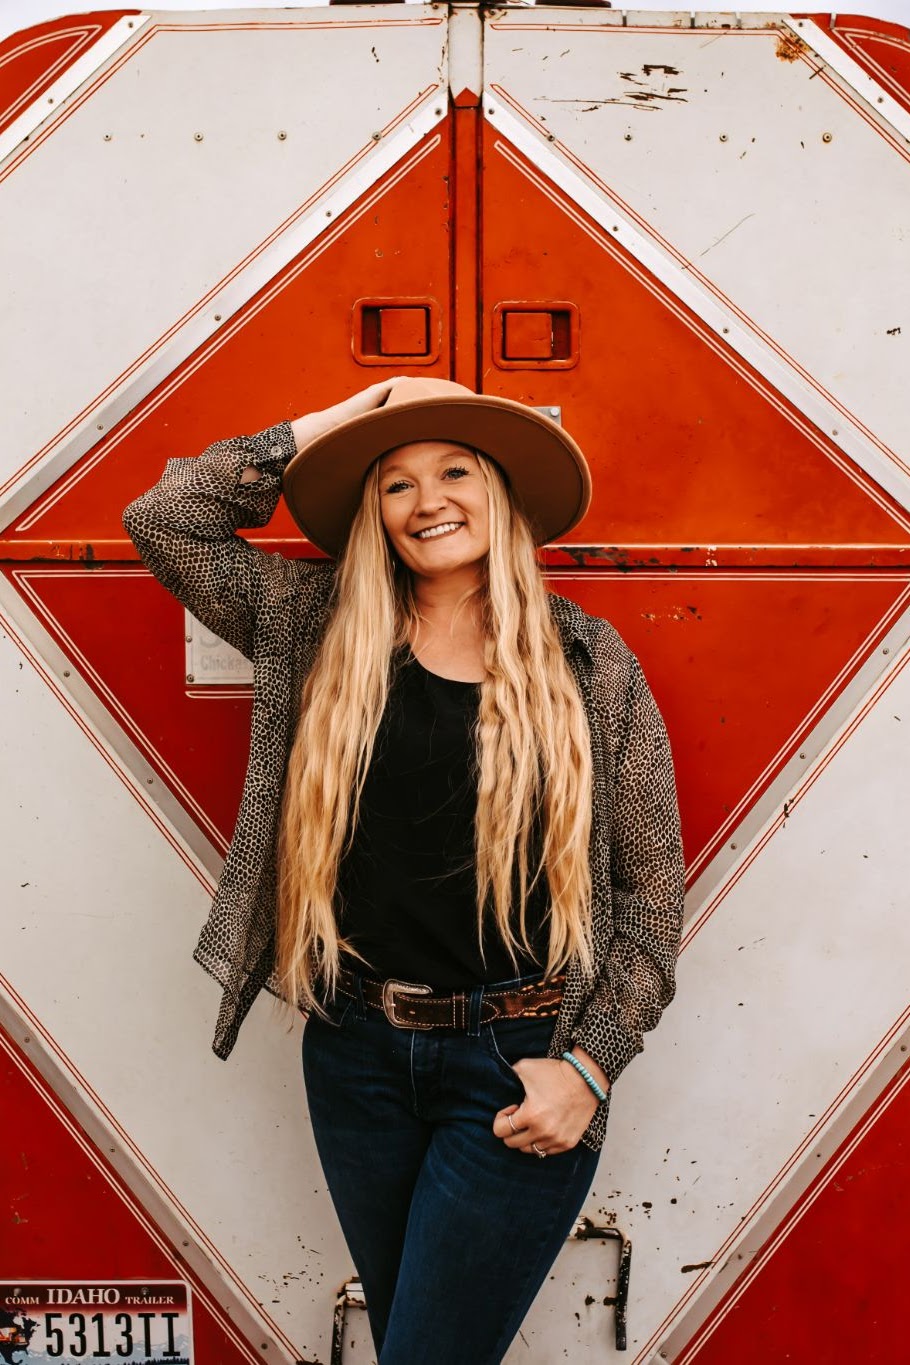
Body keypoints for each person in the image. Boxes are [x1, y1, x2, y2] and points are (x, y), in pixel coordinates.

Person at [122, 376, 685, 1364]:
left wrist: (588, 1068)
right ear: (371, 514)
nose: (428, 501)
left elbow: (649, 895)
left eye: (455, 470)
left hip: (519, 1068)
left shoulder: (589, 664)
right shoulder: (310, 623)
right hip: (356, 1061)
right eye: (395, 483)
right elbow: (167, 519)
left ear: (502, 496)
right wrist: (355, 413)